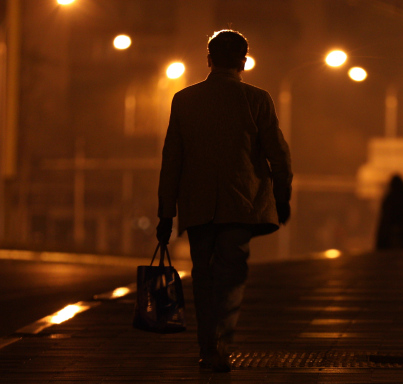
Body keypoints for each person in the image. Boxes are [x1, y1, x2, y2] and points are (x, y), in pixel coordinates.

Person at [156, 29, 292, 372]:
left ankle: (206, 344)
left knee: (203, 274)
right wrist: (281, 197)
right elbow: (279, 155)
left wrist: (165, 212)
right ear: (243, 61)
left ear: (209, 59)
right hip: (241, 205)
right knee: (231, 274)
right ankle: (221, 341)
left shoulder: (184, 100)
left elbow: (172, 158)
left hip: (197, 206)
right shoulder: (257, 100)